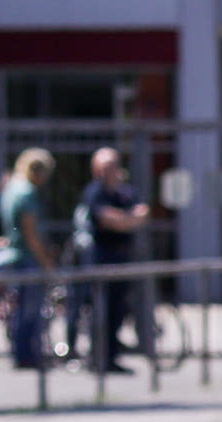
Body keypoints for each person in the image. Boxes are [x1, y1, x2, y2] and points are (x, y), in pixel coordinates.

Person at [78, 147, 151, 374]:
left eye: (112, 165)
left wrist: (123, 219)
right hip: (101, 258)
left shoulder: (126, 192)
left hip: (122, 257)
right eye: (104, 166)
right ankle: (98, 358)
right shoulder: (94, 192)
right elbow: (106, 219)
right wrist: (128, 219)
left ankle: (111, 357)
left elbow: (143, 214)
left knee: (118, 310)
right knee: (101, 310)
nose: (108, 171)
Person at [0, 148, 57, 370]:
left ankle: (21, 352)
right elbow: (30, 232)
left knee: (21, 308)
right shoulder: (27, 193)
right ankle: (26, 355)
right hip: (27, 257)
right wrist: (45, 259)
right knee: (30, 310)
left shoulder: (12, 188)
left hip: (16, 254)